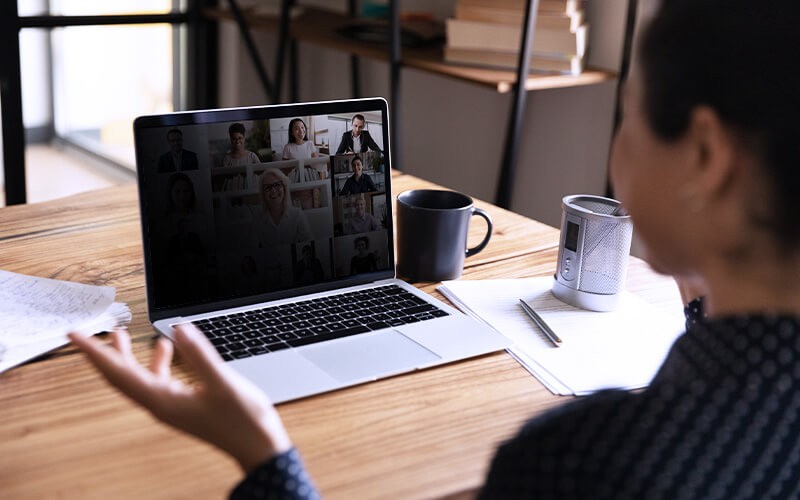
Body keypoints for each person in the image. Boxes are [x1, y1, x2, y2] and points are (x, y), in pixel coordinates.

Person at [70, 1, 800, 498]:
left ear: (705, 157)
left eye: (630, 116)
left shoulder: (577, 463)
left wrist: (264, 452)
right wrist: (712, 269)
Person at [252, 167, 313, 246]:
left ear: (284, 188)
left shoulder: (298, 215)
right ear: (263, 194)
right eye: (267, 187)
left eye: (277, 184)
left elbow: (309, 244)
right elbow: (251, 250)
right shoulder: (257, 220)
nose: (273, 191)